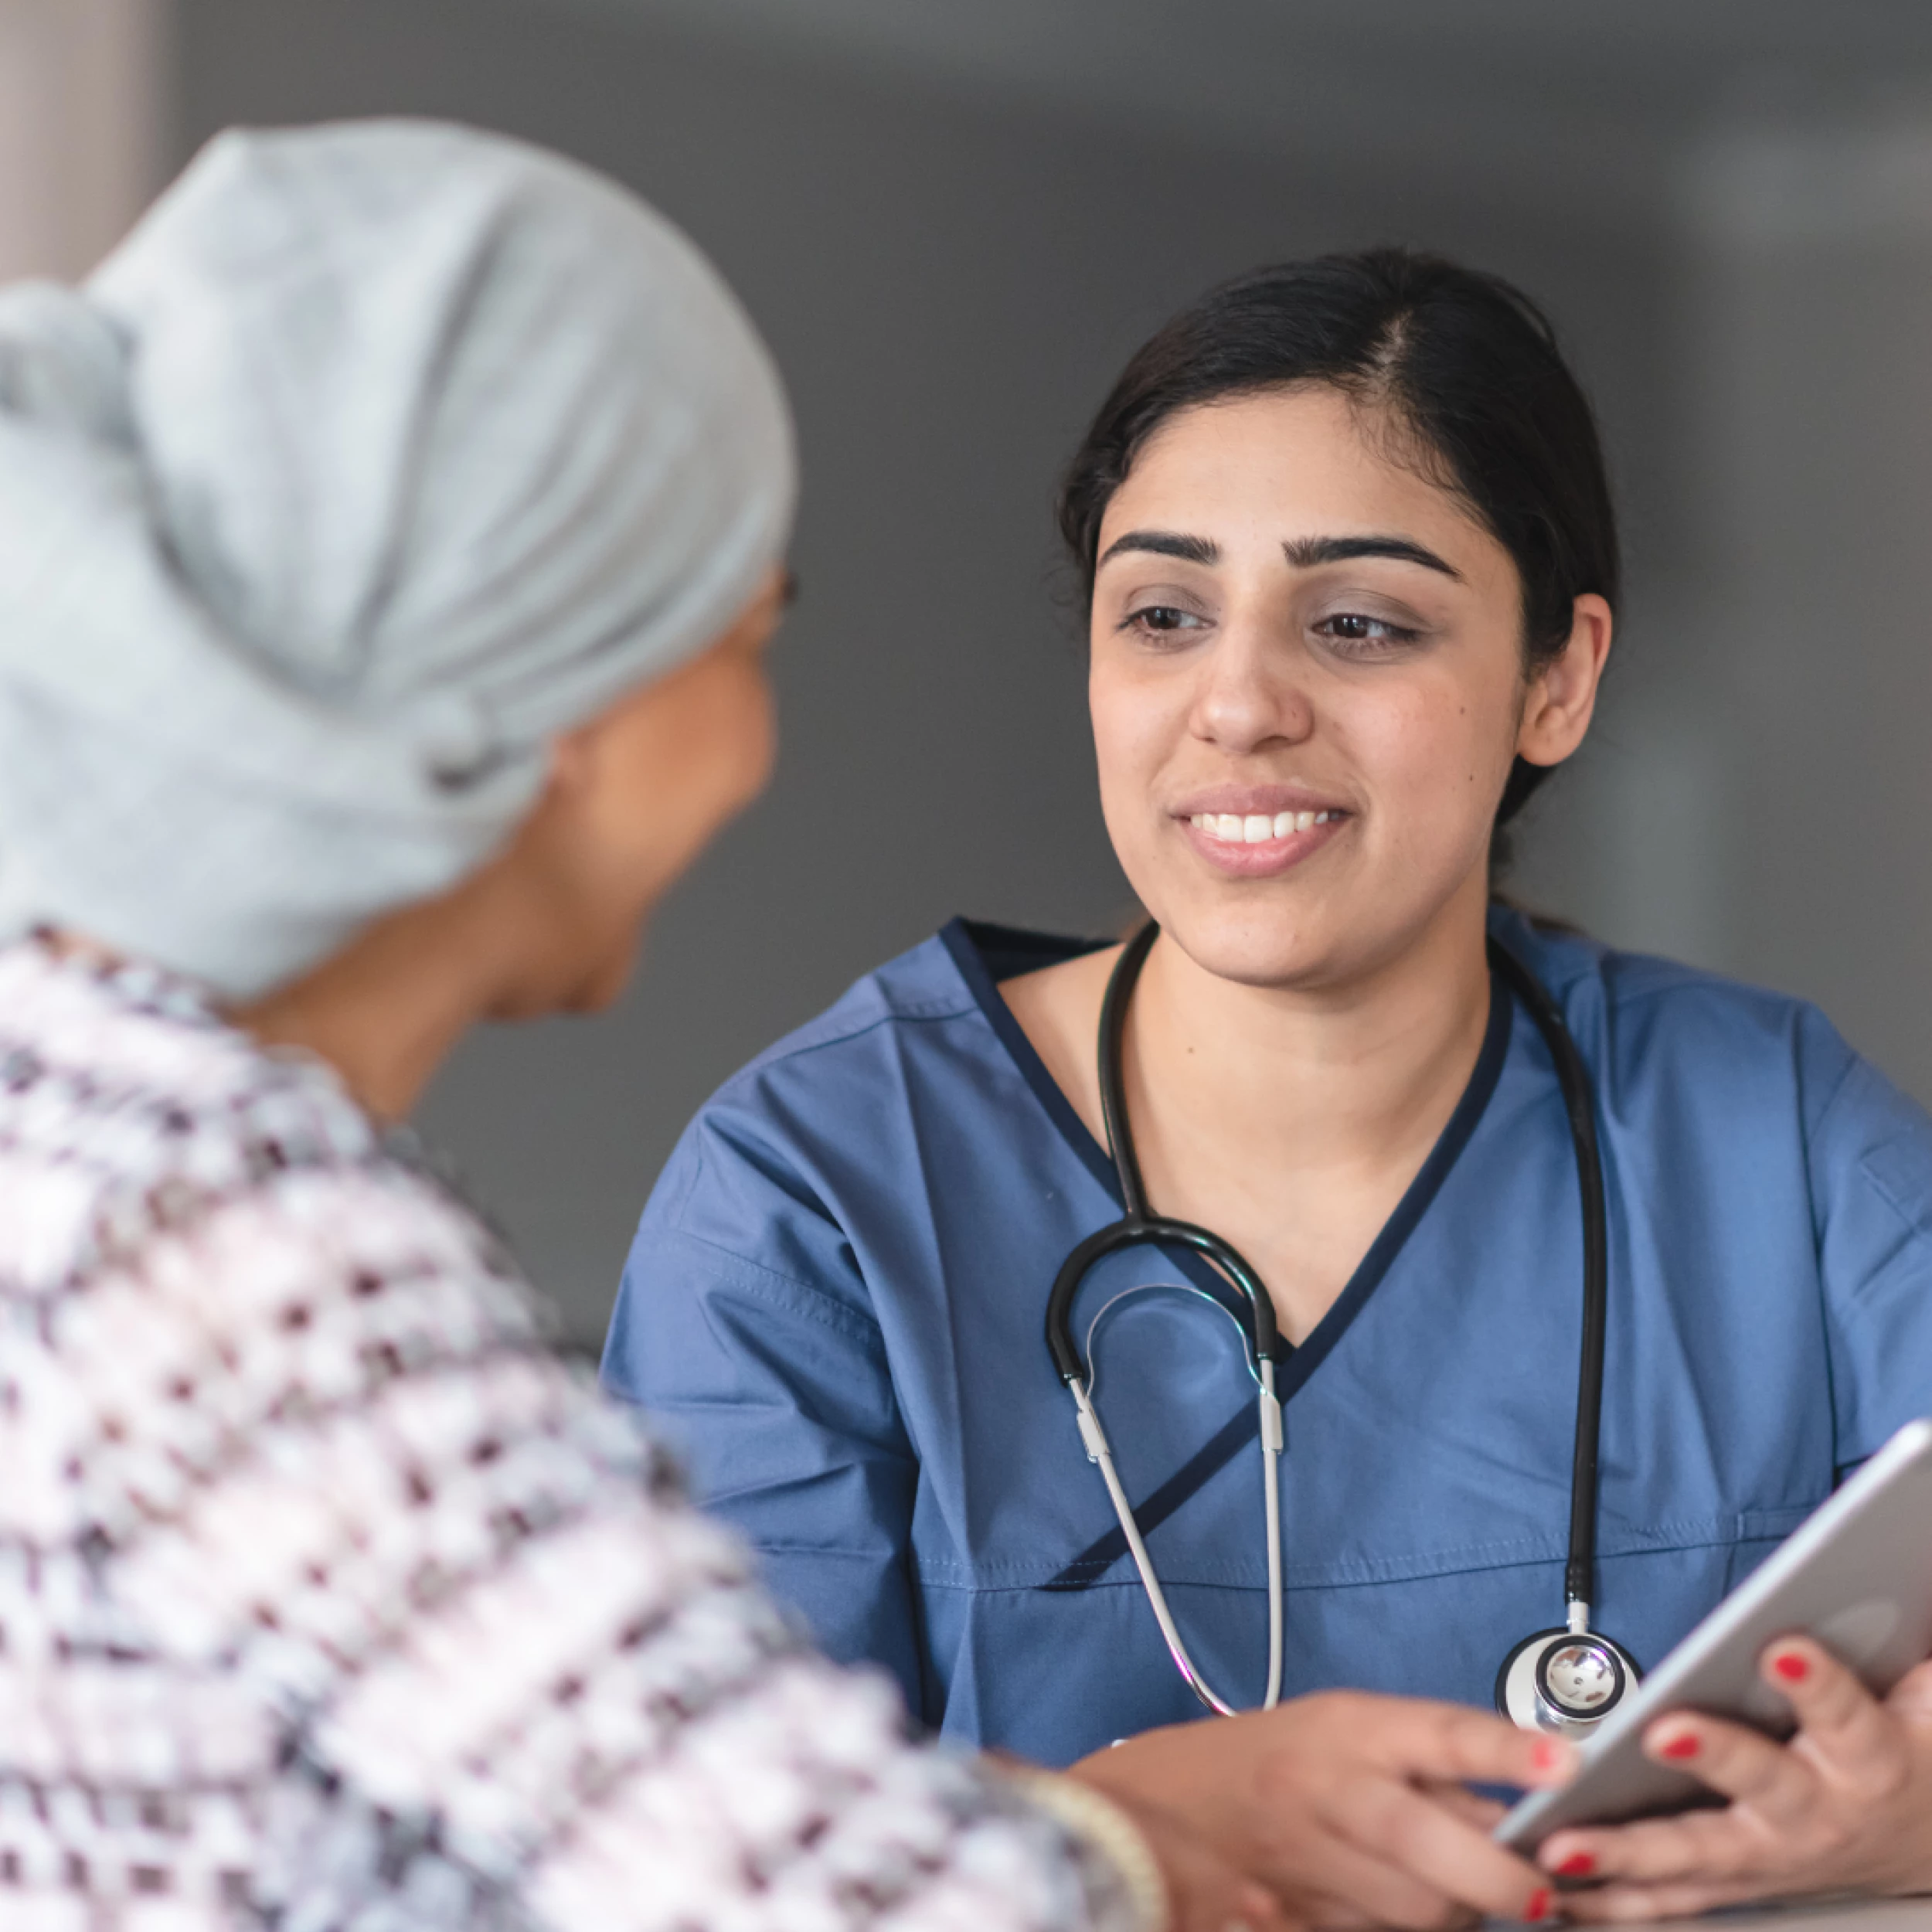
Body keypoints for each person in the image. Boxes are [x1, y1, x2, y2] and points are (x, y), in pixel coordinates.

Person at [0, 122, 1577, 1932]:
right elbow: (824, 1901)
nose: (756, 746)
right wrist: (1133, 1840)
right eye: (746, 635)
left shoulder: (71, 1126)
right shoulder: (244, 1249)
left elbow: (540, 1798)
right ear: (552, 705)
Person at [605, 247, 1932, 1915]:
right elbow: (650, 1859)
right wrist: (1103, 1818)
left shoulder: (1773, 1140)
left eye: (1359, 623)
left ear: (1556, 676)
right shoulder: (819, 1190)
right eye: (1161, 615)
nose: (1236, 704)